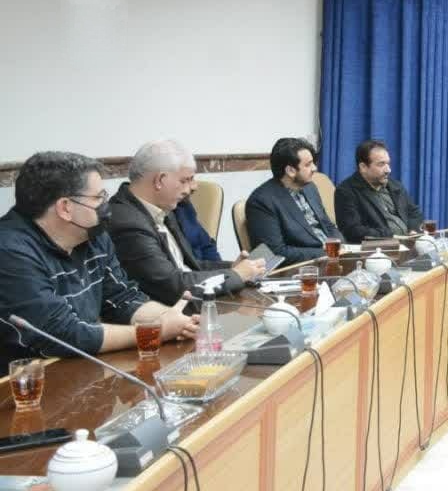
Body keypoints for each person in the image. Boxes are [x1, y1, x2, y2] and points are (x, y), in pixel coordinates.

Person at [0, 152, 198, 366]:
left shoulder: (92, 235)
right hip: (25, 377)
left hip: (80, 366)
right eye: (98, 198)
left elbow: (121, 299)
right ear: (65, 207)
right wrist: (155, 331)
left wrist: (178, 321)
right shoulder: (9, 250)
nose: (106, 205)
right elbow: (61, 335)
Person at [108, 140, 265, 305]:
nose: (192, 187)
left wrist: (232, 268)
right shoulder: (127, 223)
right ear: (160, 180)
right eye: (185, 180)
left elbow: (189, 266)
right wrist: (236, 275)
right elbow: (172, 286)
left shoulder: (161, 207)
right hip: (168, 311)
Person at [246, 137, 341, 265]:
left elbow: (327, 224)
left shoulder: (310, 187)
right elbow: (275, 252)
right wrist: (327, 253)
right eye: (308, 165)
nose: (314, 168)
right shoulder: (262, 201)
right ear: (290, 171)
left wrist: (342, 246)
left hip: (333, 257)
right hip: (306, 266)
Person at [334, 139, 428, 242]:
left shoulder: (395, 186)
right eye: (381, 164)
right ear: (363, 167)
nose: (388, 170)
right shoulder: (346, 192)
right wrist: (390, 236)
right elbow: (352, 231)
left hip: (408, 244)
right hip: (378, 248)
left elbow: (414, 213)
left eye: (388, 164)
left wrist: (413, 230)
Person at [174, 195, 221, 263]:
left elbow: (206, 246)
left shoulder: (184, 205)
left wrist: (227, 268)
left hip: (202, 266)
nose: (194, 188)